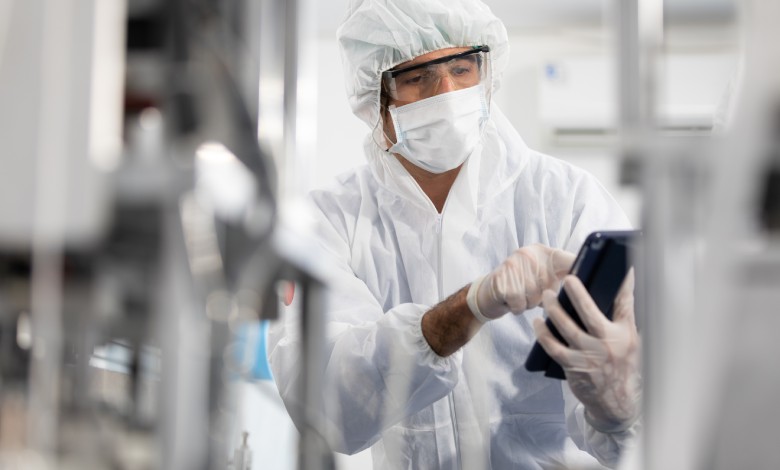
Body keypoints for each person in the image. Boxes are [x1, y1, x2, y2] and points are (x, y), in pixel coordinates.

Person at [268, 0, 641, 468]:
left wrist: (617, 405)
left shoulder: (566, 199)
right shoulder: (329, 220)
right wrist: (467, 309)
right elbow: (330, 408)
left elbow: (638, 442)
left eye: (463, 67)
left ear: (487, 74)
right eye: (417, 76)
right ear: (373, 100)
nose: (447, 91)